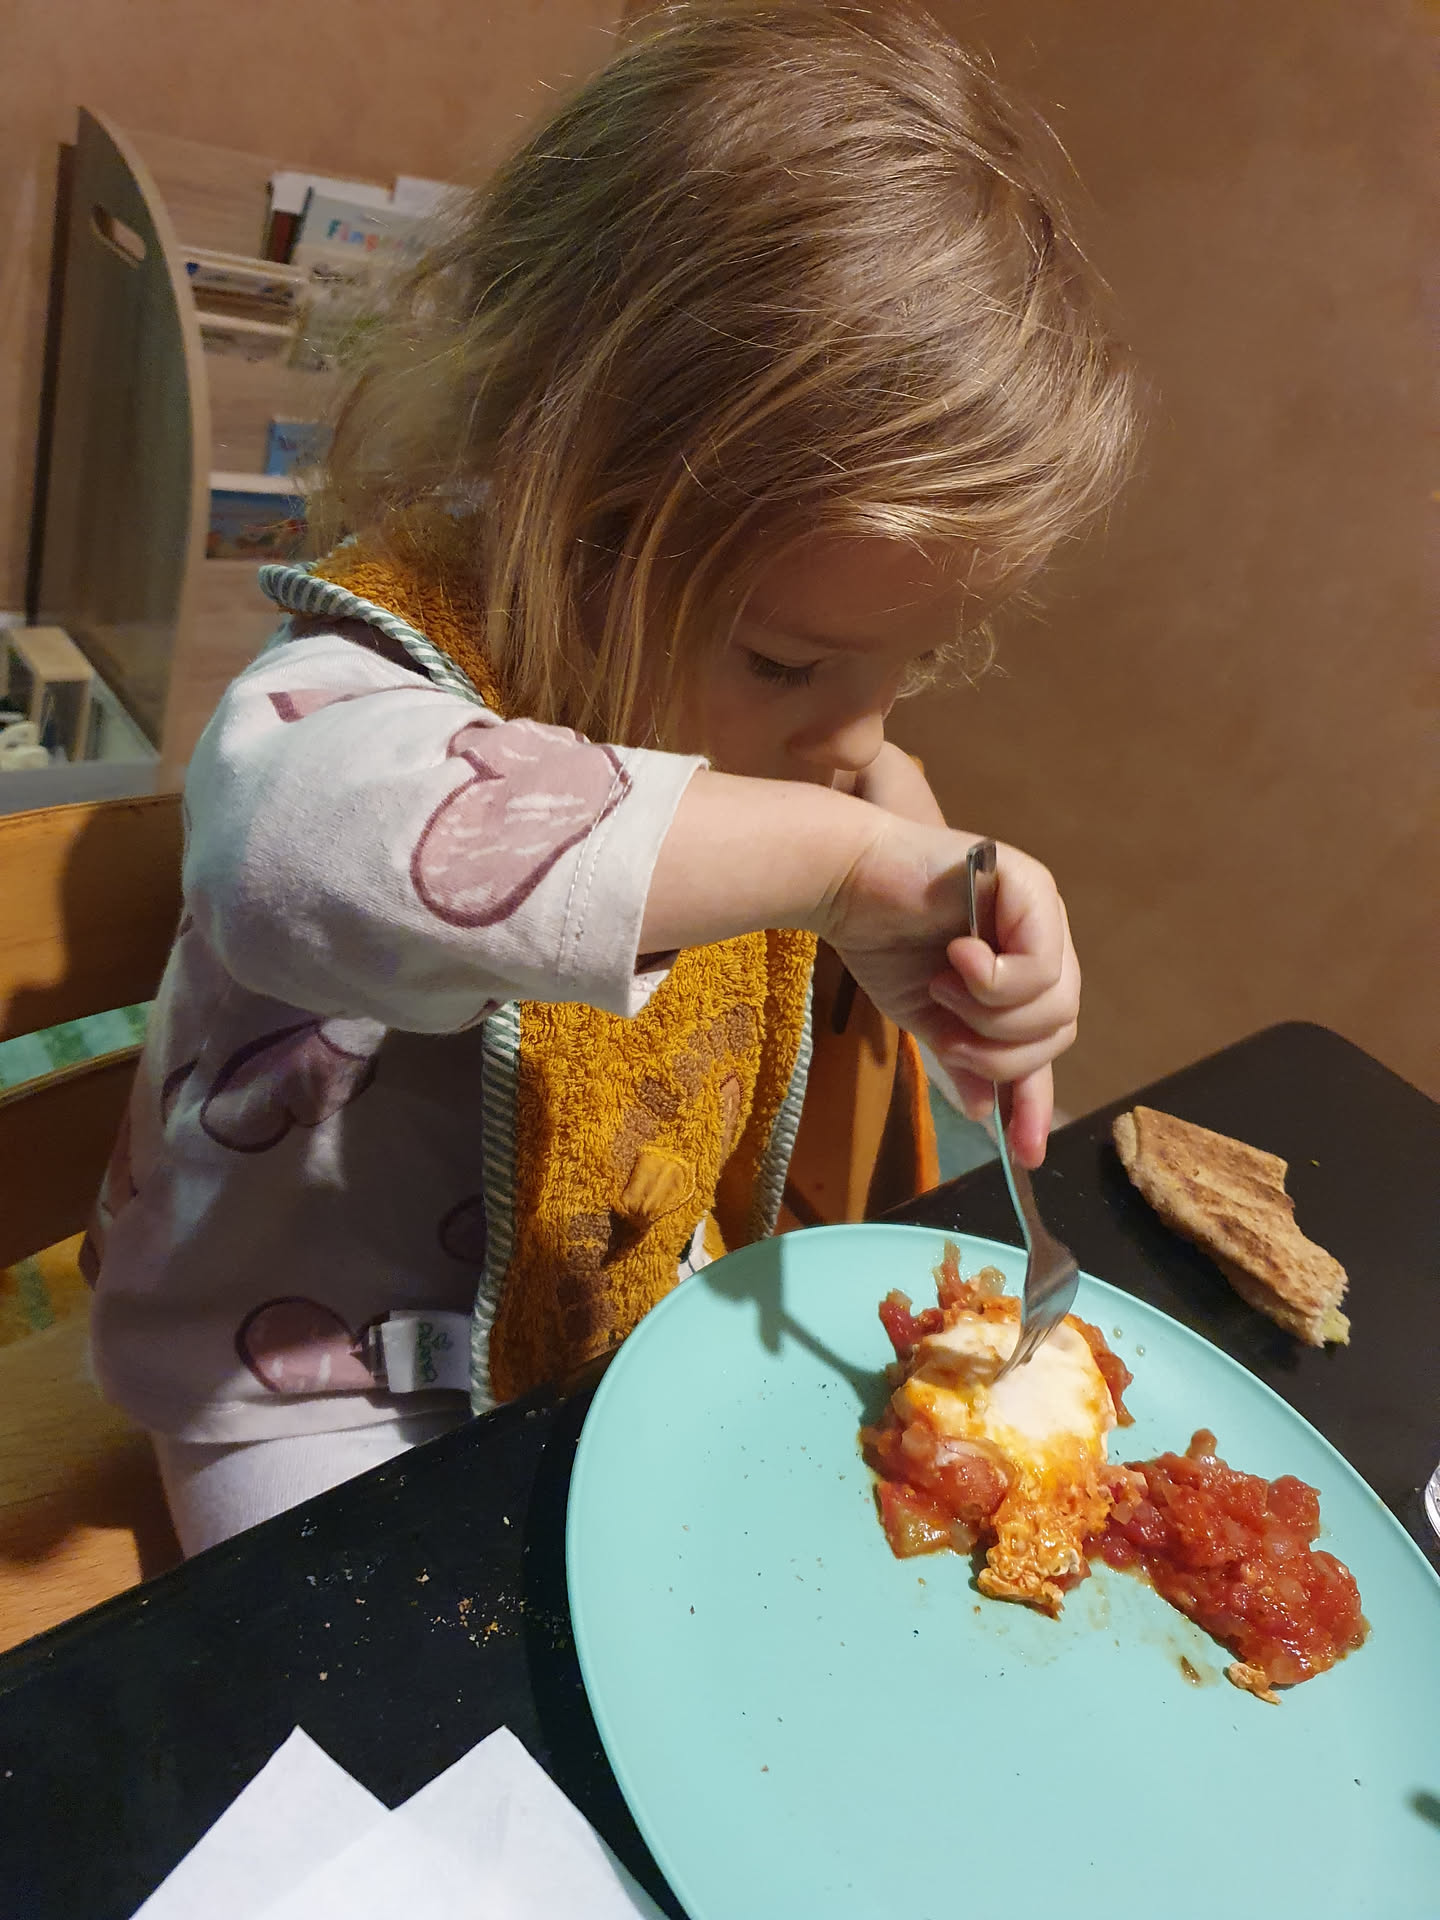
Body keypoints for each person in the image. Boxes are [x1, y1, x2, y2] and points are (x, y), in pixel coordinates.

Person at [87, 1, 1133, 1554]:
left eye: (906, 665)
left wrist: (950, 933)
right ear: (560, 498)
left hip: (606, 1299)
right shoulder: (353, 690)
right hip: (306, 1381)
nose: (856, 741)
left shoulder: (811, 754)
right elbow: (296, 862)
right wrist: (839, 865)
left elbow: (880, 811)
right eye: (785, 662)